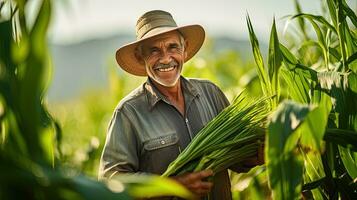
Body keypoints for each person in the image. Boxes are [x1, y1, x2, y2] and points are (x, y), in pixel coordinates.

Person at [99, 10, 263, 199]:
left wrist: (257, 154)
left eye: (173, 47)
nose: (166, 58)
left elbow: (235, 154)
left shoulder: (210, 93)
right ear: (140, 57)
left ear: (184, 50)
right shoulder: (128, 112)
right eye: (154, 51)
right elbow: (110, 183)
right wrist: (172, 186)